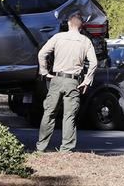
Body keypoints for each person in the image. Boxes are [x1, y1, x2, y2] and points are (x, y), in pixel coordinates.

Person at [36, 12, 98, 152]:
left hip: (57, 79)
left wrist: (44, 72)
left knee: (49, 113)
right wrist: (87, 80)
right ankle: (66, 149)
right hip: (73, 82)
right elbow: (94, 62)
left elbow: (42, 54)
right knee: (69, 116)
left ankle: (41, 147)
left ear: (69, 23)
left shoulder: (58, 37)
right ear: (81, 26)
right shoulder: (85, 41)